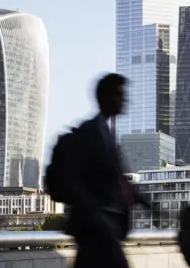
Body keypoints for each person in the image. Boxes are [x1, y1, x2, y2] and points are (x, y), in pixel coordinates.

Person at [65, 73, 150, 268]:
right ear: (107, 97)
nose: (125, 99)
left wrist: (146, 203)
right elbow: (76, 179)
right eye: (120, 94)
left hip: (101, 227)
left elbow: (118, 177)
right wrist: (96, 213)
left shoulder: (105, 133)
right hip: (97, 227)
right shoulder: (92, 132)